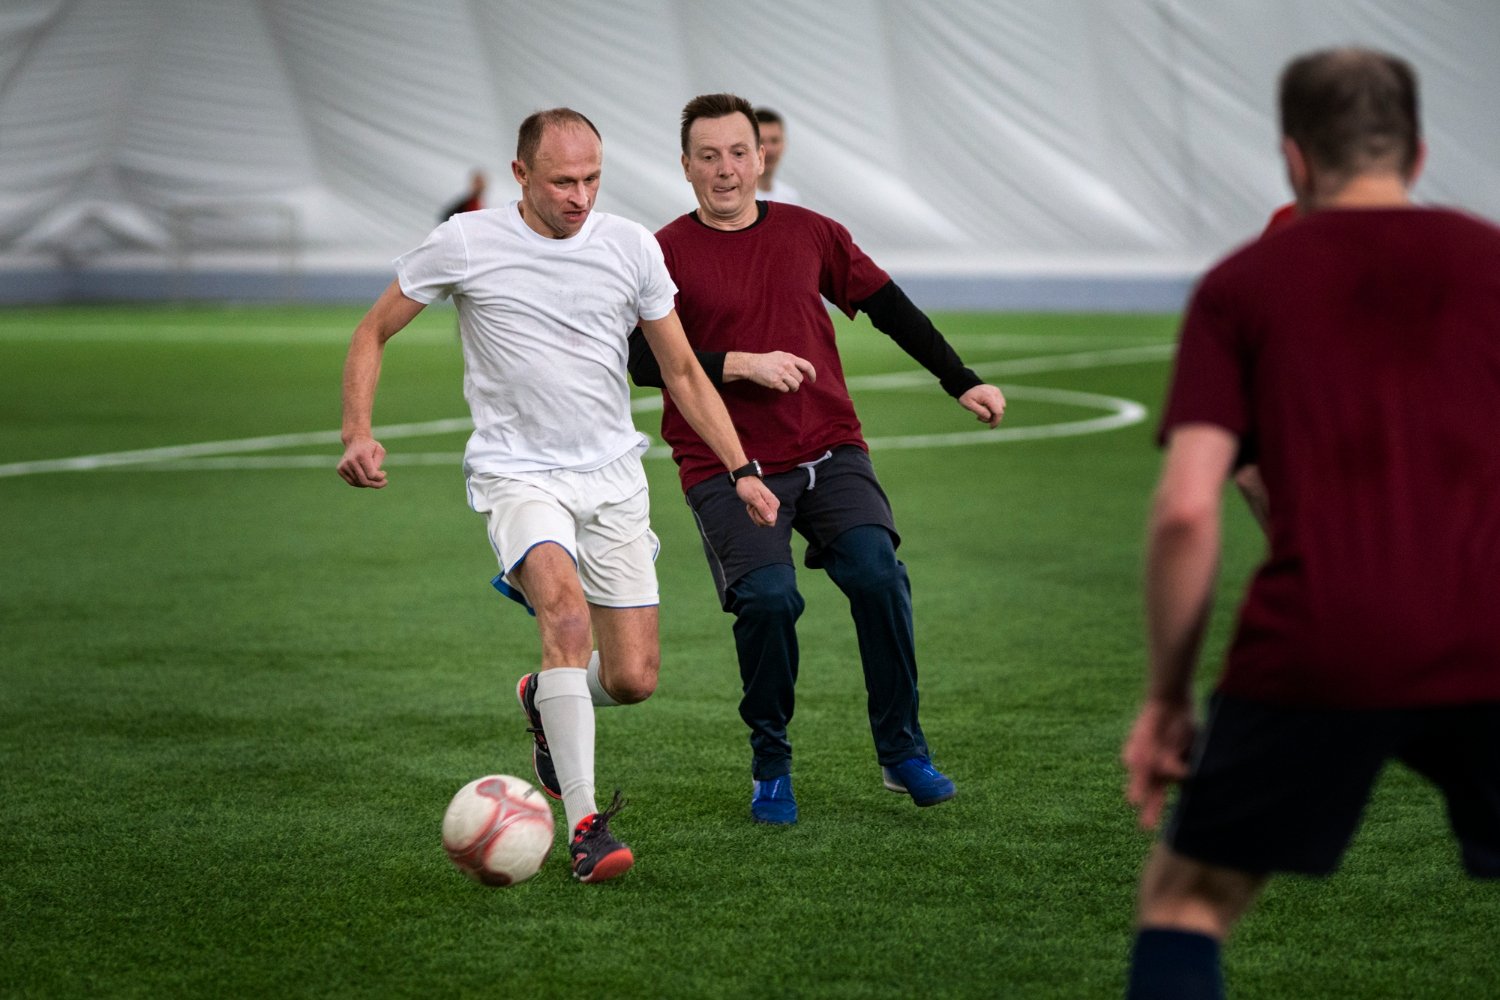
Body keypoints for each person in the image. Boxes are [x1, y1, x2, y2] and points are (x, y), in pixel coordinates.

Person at [1121, 48, 1500, 998]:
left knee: (1186, 902)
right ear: (1416, 153)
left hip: (1322, 638)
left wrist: (1168, 699)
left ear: (1293, 158)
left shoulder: (1245, 284)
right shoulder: (1491, 263)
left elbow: (1186, 508)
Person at [338, 108, 778, 883]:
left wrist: (742, 469)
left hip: (613, 477)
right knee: (565, 616)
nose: (580, 196)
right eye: (563, 181)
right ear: (521, 177)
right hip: (518, 472)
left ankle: (543, 697)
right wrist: (357, 431)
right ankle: (584, 827)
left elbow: (680, 372)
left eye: (592, 179)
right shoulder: (468, 242)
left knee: (633, 679)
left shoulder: (630, 246)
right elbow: (372, 331)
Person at [627, 93, 1007, 825]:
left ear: (762, 155)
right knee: (770, 601)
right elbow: (644, 359)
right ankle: (771, 765)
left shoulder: (813, 233)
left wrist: (961, 379)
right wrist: (741, 363)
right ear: (685, 166)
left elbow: (890, 305)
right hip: (726, 465)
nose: (726, 169)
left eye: (739, 152)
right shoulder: (662, 251)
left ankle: (902, 753)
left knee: (877, 573)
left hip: (829, 450)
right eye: (708, 156)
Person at [753, 107, 800, 204]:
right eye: (760, 141)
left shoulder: (790, 197)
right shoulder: (735, 197)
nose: (768, 149)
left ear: (784, 144)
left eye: (774, 140)